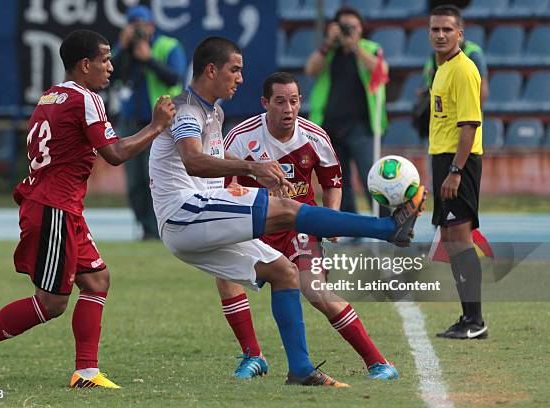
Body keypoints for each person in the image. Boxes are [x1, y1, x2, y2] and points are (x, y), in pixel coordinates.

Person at [149, 36, 425, 386]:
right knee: (287, 209)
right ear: (210, 69)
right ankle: (388, 229)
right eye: (234, 70)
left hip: (195, 218)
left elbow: (219, 156)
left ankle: (300, 369)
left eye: (294, 100)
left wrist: (250, 168)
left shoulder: (213, 111)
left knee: (284, 273)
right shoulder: (187, 110)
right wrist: (253, 170)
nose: (240, 78)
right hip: (185, 211)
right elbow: (192, 160)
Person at [0, 29, 176, 388]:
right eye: (104, 60)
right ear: (85, 65)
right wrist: (156, 126)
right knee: (51, 304)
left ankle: (86, 372)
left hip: (59, 206)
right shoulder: (85, 98)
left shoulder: (51, 96)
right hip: (54, 207)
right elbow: (113, 155)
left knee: (98, 280)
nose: (111, 67)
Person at [215, 72, 399, 381]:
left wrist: (333, 216)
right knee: (224, 276)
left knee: (315, 290)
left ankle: (379, 363)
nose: (288, 109)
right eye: (280, 102)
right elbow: (222, 184)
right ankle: (253, 356)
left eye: (294, 101)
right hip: (257, 226)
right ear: (265, 103)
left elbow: (333, 182)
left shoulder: (315, 137)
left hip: (300, 227)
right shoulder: (240, 137)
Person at [426, 6, 487, 339]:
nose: (440, 35)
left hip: (458, 162)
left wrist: (455, 171)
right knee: (451, 240)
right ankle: (468, 317)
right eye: (435, 29)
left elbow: (469, 126)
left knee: (460, 240)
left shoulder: (464, 70)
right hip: (445, 159)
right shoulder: (442, 68)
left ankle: (475, 321)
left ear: (459, 33)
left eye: (447, 30)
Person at [305, 6, 389, 216]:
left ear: (361, 28)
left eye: (352, 26)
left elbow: (381, 70)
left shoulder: (370, 48)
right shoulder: (329, 51)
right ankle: (350, 224)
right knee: (339, 180)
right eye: (344, 26)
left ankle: (386, 222)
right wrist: (328, 43)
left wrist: (355, 47)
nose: (347, 31)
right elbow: (310, 69)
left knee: (371, 176)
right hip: (331, 125)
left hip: (361, 125)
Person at [111, 5, 186, 239]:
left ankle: (160, 228)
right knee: (134, 180)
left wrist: (149, 59)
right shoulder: (124, 48)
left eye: (142, 25)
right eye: (133, 25)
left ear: (152, 26)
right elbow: (110, 77)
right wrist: (123, 48)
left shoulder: (168, 46)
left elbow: (175, 76)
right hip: (131, 119)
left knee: (155, 177)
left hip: (160, 120)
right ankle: (145, 228)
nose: (138, 30)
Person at [415, 16, 489, 139]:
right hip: (440, 125)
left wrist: (469, 123)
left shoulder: (472, 54)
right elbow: (429, 84)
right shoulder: (435, 55)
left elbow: (483, 90)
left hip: (462, 124)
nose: (442, 35)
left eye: (448, 30)